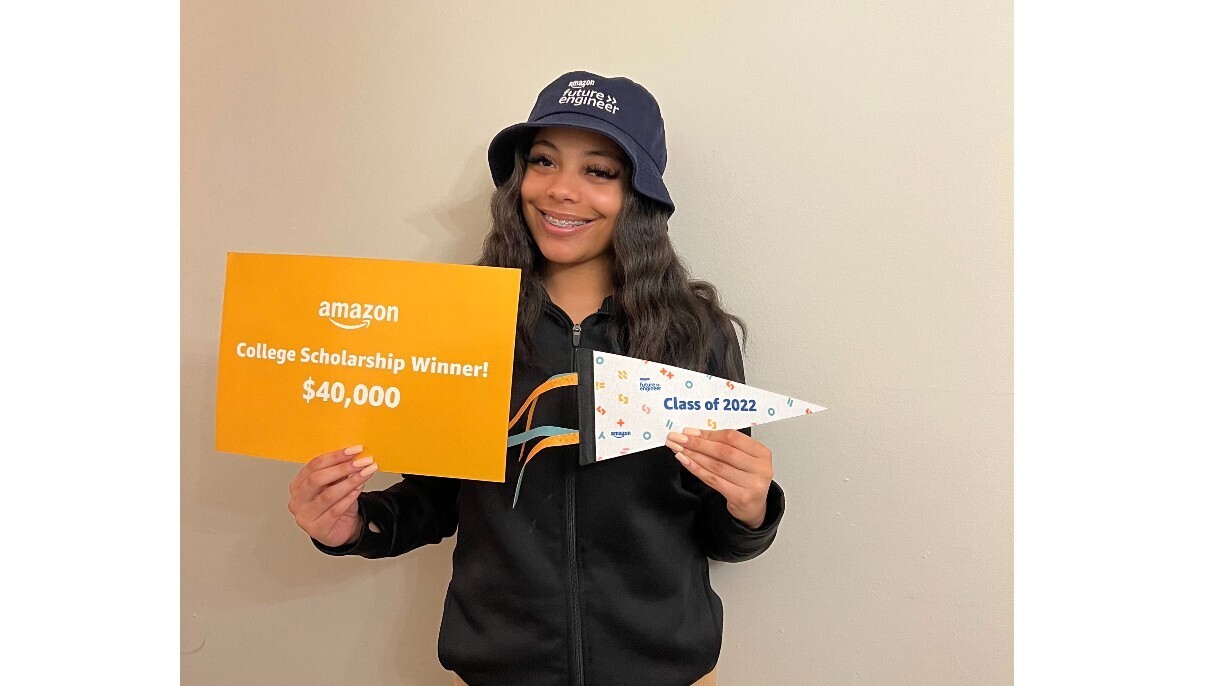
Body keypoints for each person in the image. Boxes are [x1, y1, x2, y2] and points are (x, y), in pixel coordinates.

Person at [287, 70, 786, 686]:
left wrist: (751, 506)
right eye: (544, 161)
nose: (561, 191)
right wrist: (355, 525)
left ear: (639, 195)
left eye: (598, 170)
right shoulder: (461, 321)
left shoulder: (699, 336)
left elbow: (723, 537)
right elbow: (440, 497)